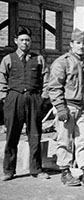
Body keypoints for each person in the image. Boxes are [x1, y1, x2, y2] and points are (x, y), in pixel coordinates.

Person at [48, 28, 84, 187]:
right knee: (65, 141)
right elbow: (54, 87)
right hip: (67, 106)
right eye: (78, 43)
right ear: (71, 44)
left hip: (82, 108)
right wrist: (60, 108)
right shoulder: (62, 62)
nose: (81, 46)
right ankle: (65, 172)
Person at [0, 26, 50, 181]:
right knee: (12, 135)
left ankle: (36, 169)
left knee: (35, 135)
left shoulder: (39, 59)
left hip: (34, 98)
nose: (25, 43)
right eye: (22, 40)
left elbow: (46, 79)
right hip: (14, 98)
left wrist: (43, 97)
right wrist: (5, 98)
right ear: (16, 41)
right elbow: (1, 79)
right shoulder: (8, 59)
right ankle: (9, 170)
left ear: (31, 42)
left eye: (27, 40)